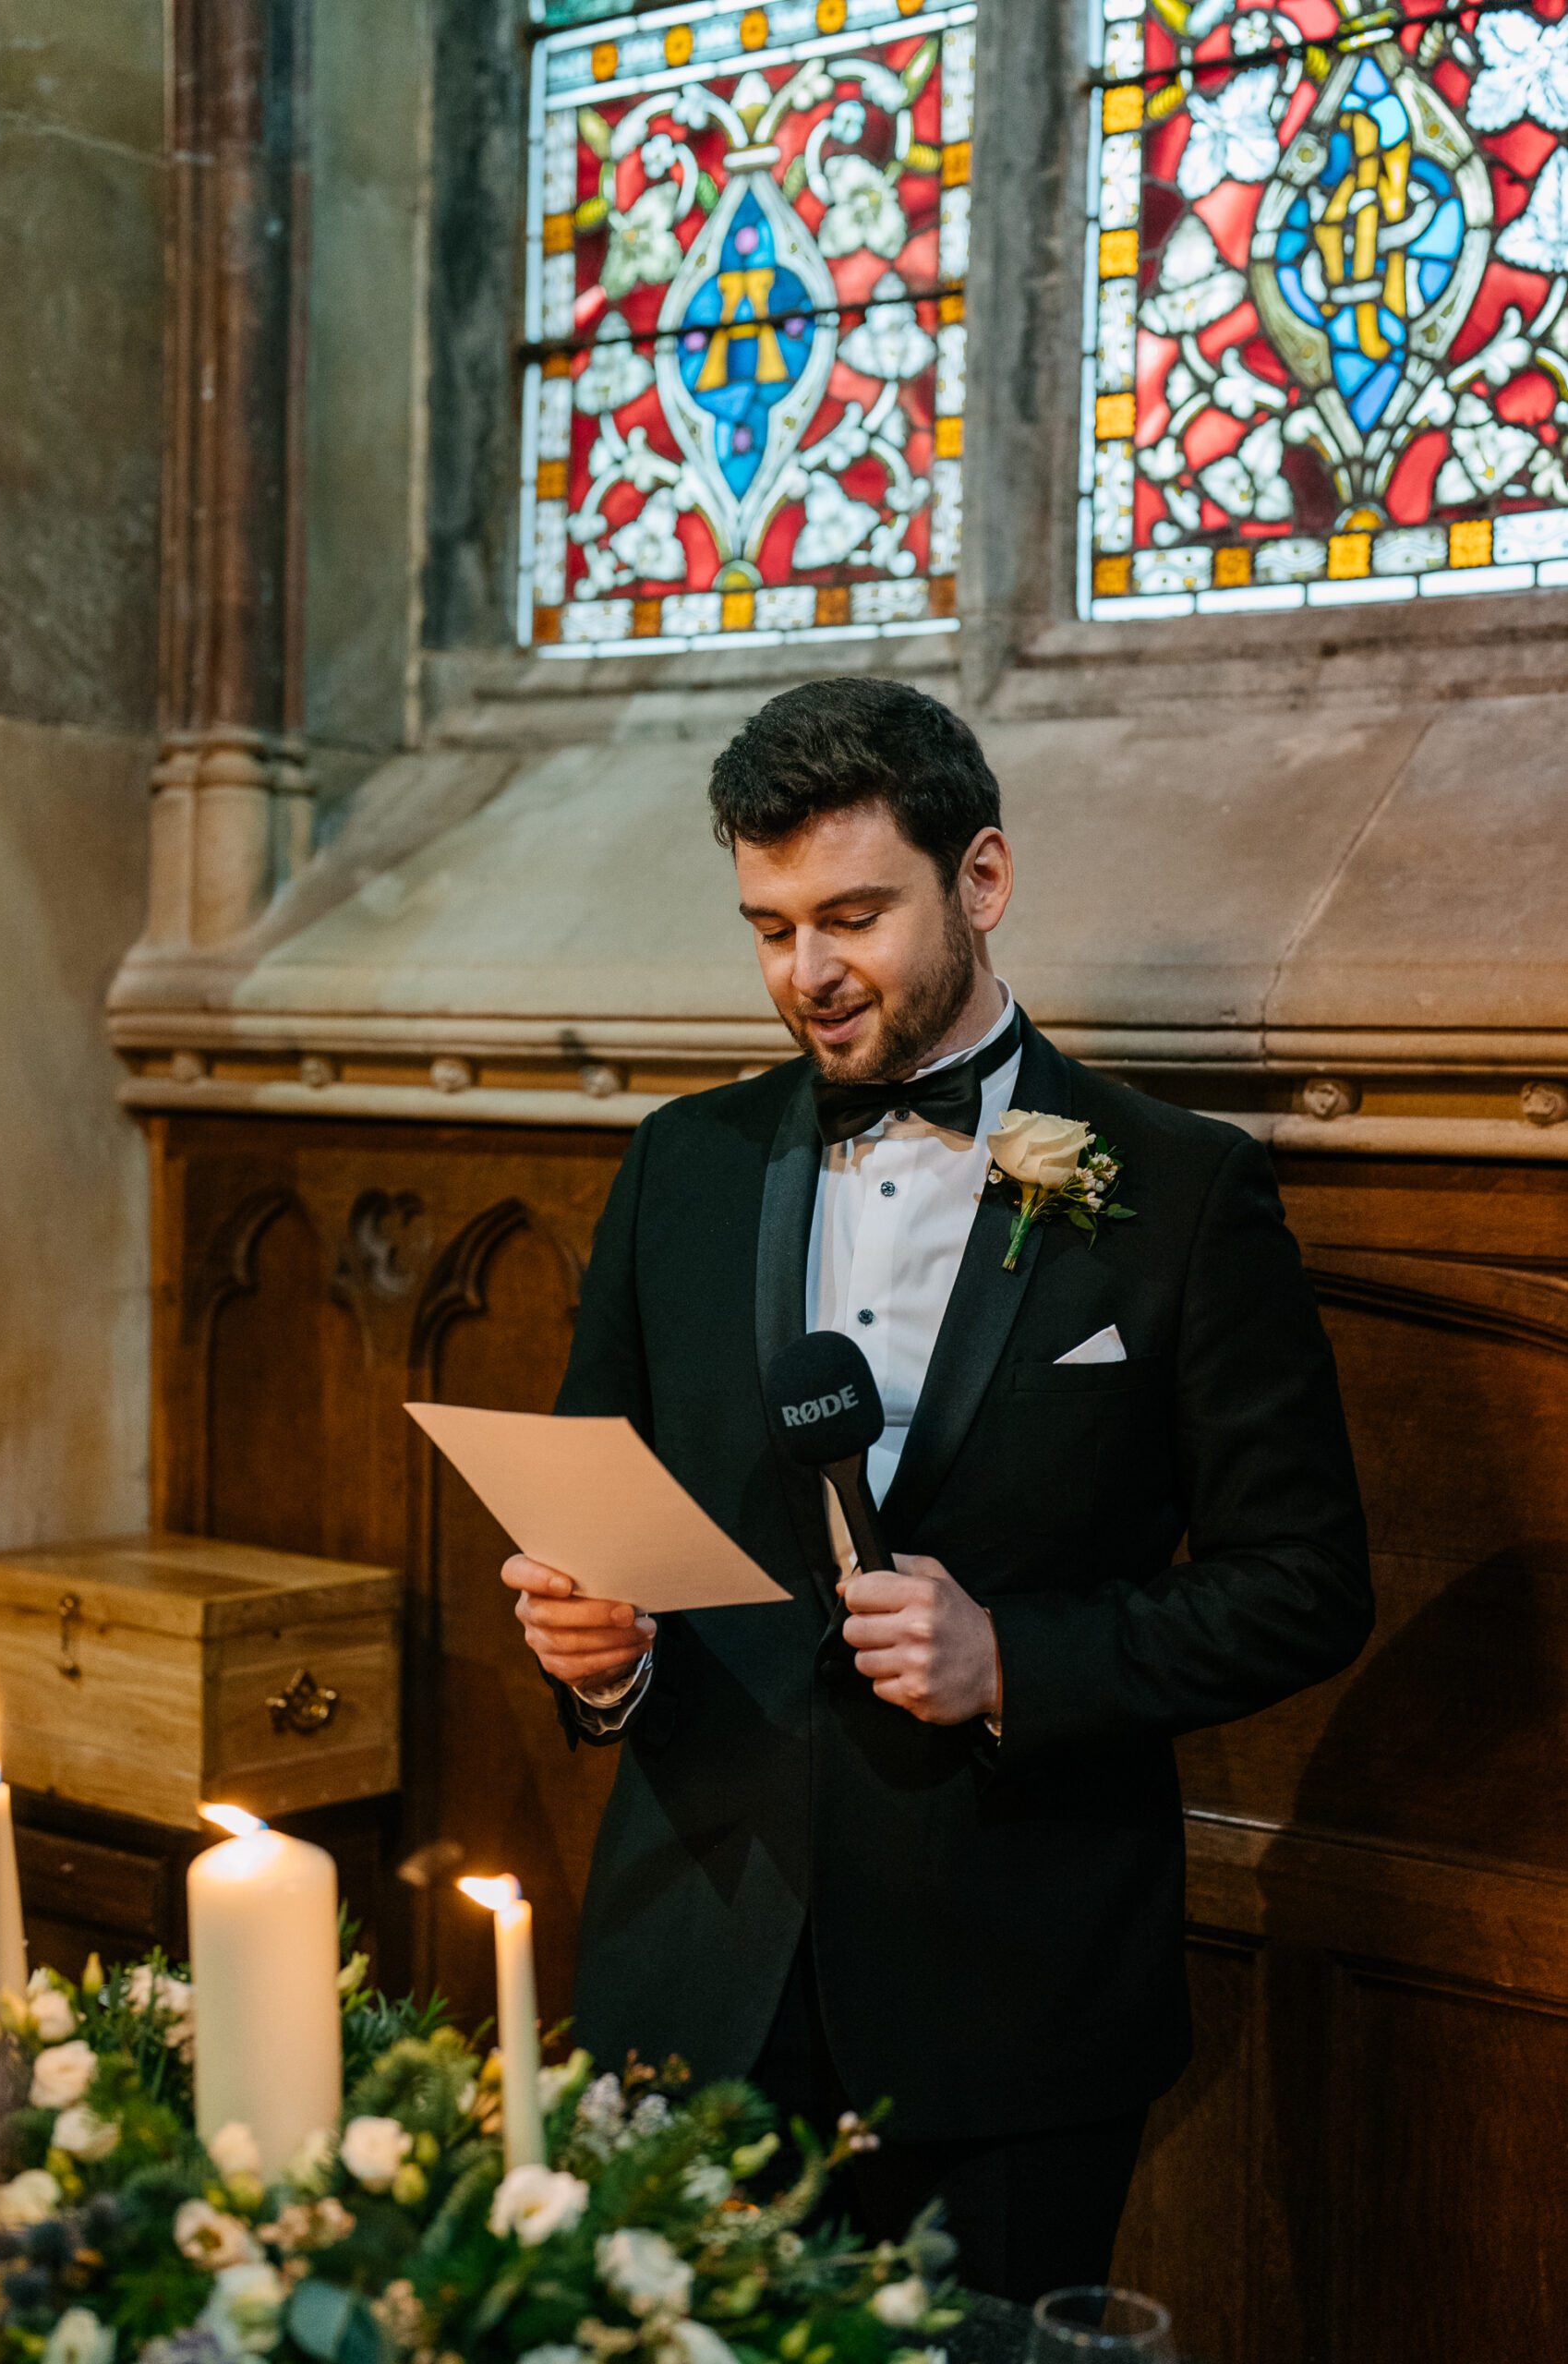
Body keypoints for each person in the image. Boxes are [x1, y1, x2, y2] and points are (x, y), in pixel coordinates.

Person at [503, 676, 1372, 2302]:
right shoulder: (677, 1166)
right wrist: (600, 1652)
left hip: (1014, 1998)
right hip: (697, 1966)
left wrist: (1012, 1664)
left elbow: (1307, 1581)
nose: (808, 975)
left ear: (981, 880)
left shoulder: (1182, 1192)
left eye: (852, 916)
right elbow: (595, 1506)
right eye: (769, 928)